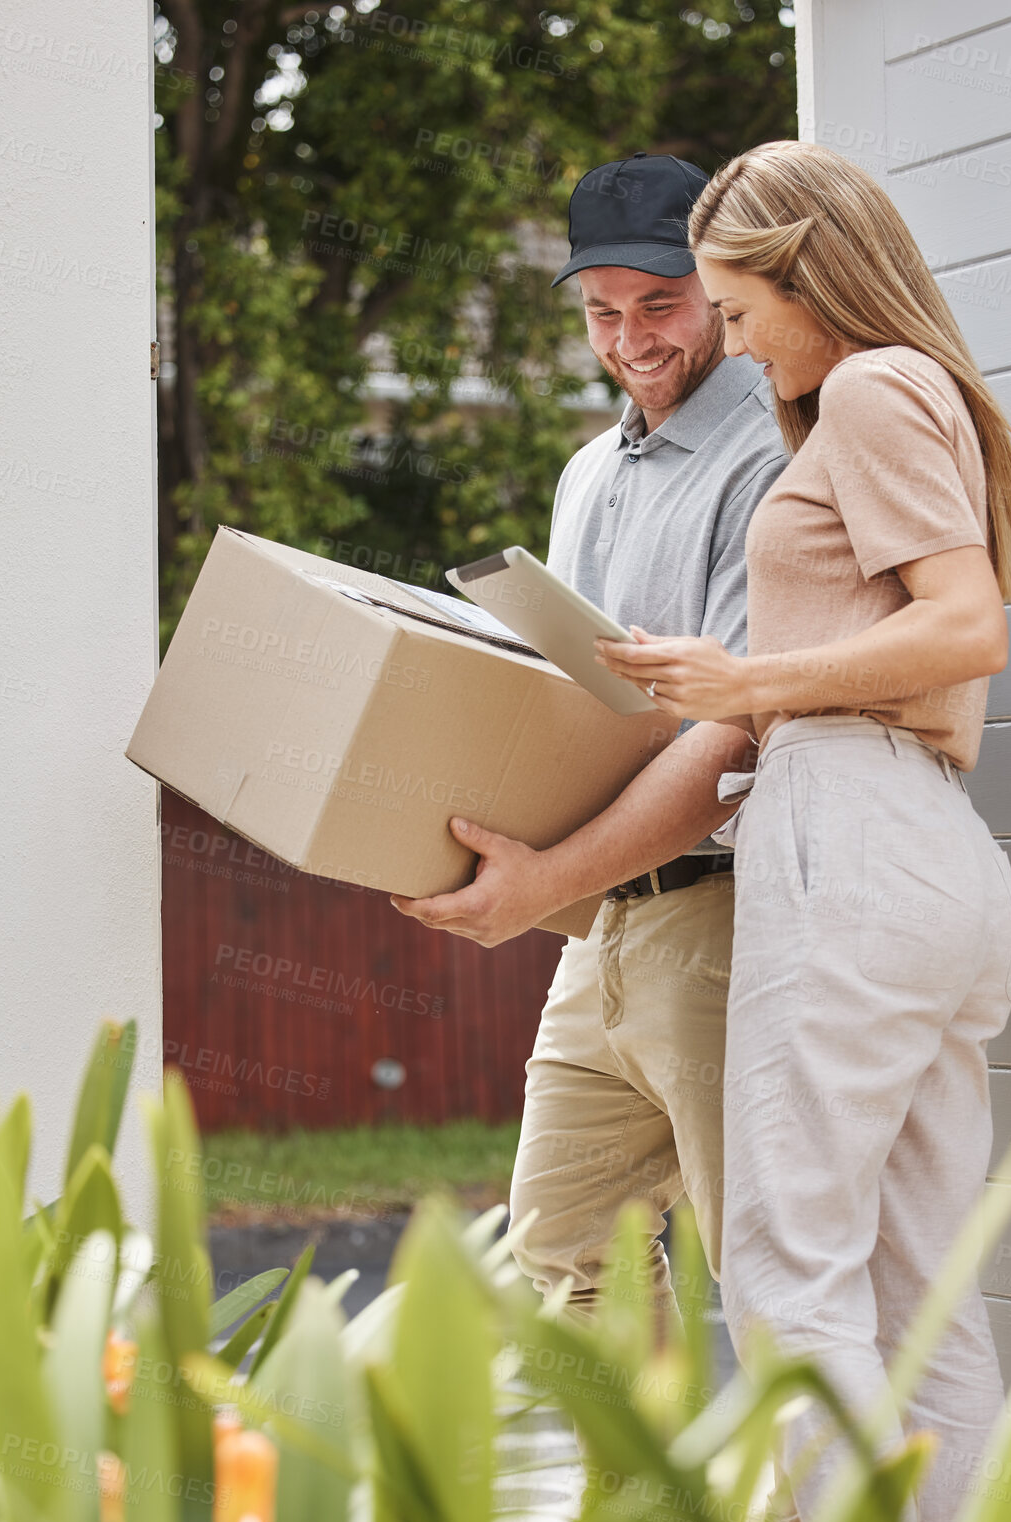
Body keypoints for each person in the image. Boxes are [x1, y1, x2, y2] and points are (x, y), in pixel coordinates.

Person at [596, 140, 1011, 1522]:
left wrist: (745, 679)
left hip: (852, 831)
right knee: (916, 1289)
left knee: (789, 1268)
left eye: (734, 300)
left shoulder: (869, 385)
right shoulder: (903, 398)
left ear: (808, 271)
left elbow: (964, 627)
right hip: (923, 848)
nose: (727, 334)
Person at [392, 152, 788, 1320]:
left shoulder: (770, 452)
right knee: (562, 1243)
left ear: (715, 288)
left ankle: (810, 1516)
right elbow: (569, 706)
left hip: (723, 913)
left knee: (763, 1266)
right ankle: (652, 1508)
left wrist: (549, 877)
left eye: (659, 303)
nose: (631, 338)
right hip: (604, 924)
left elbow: (738, 725)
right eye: (601, 311)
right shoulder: (586, 471)